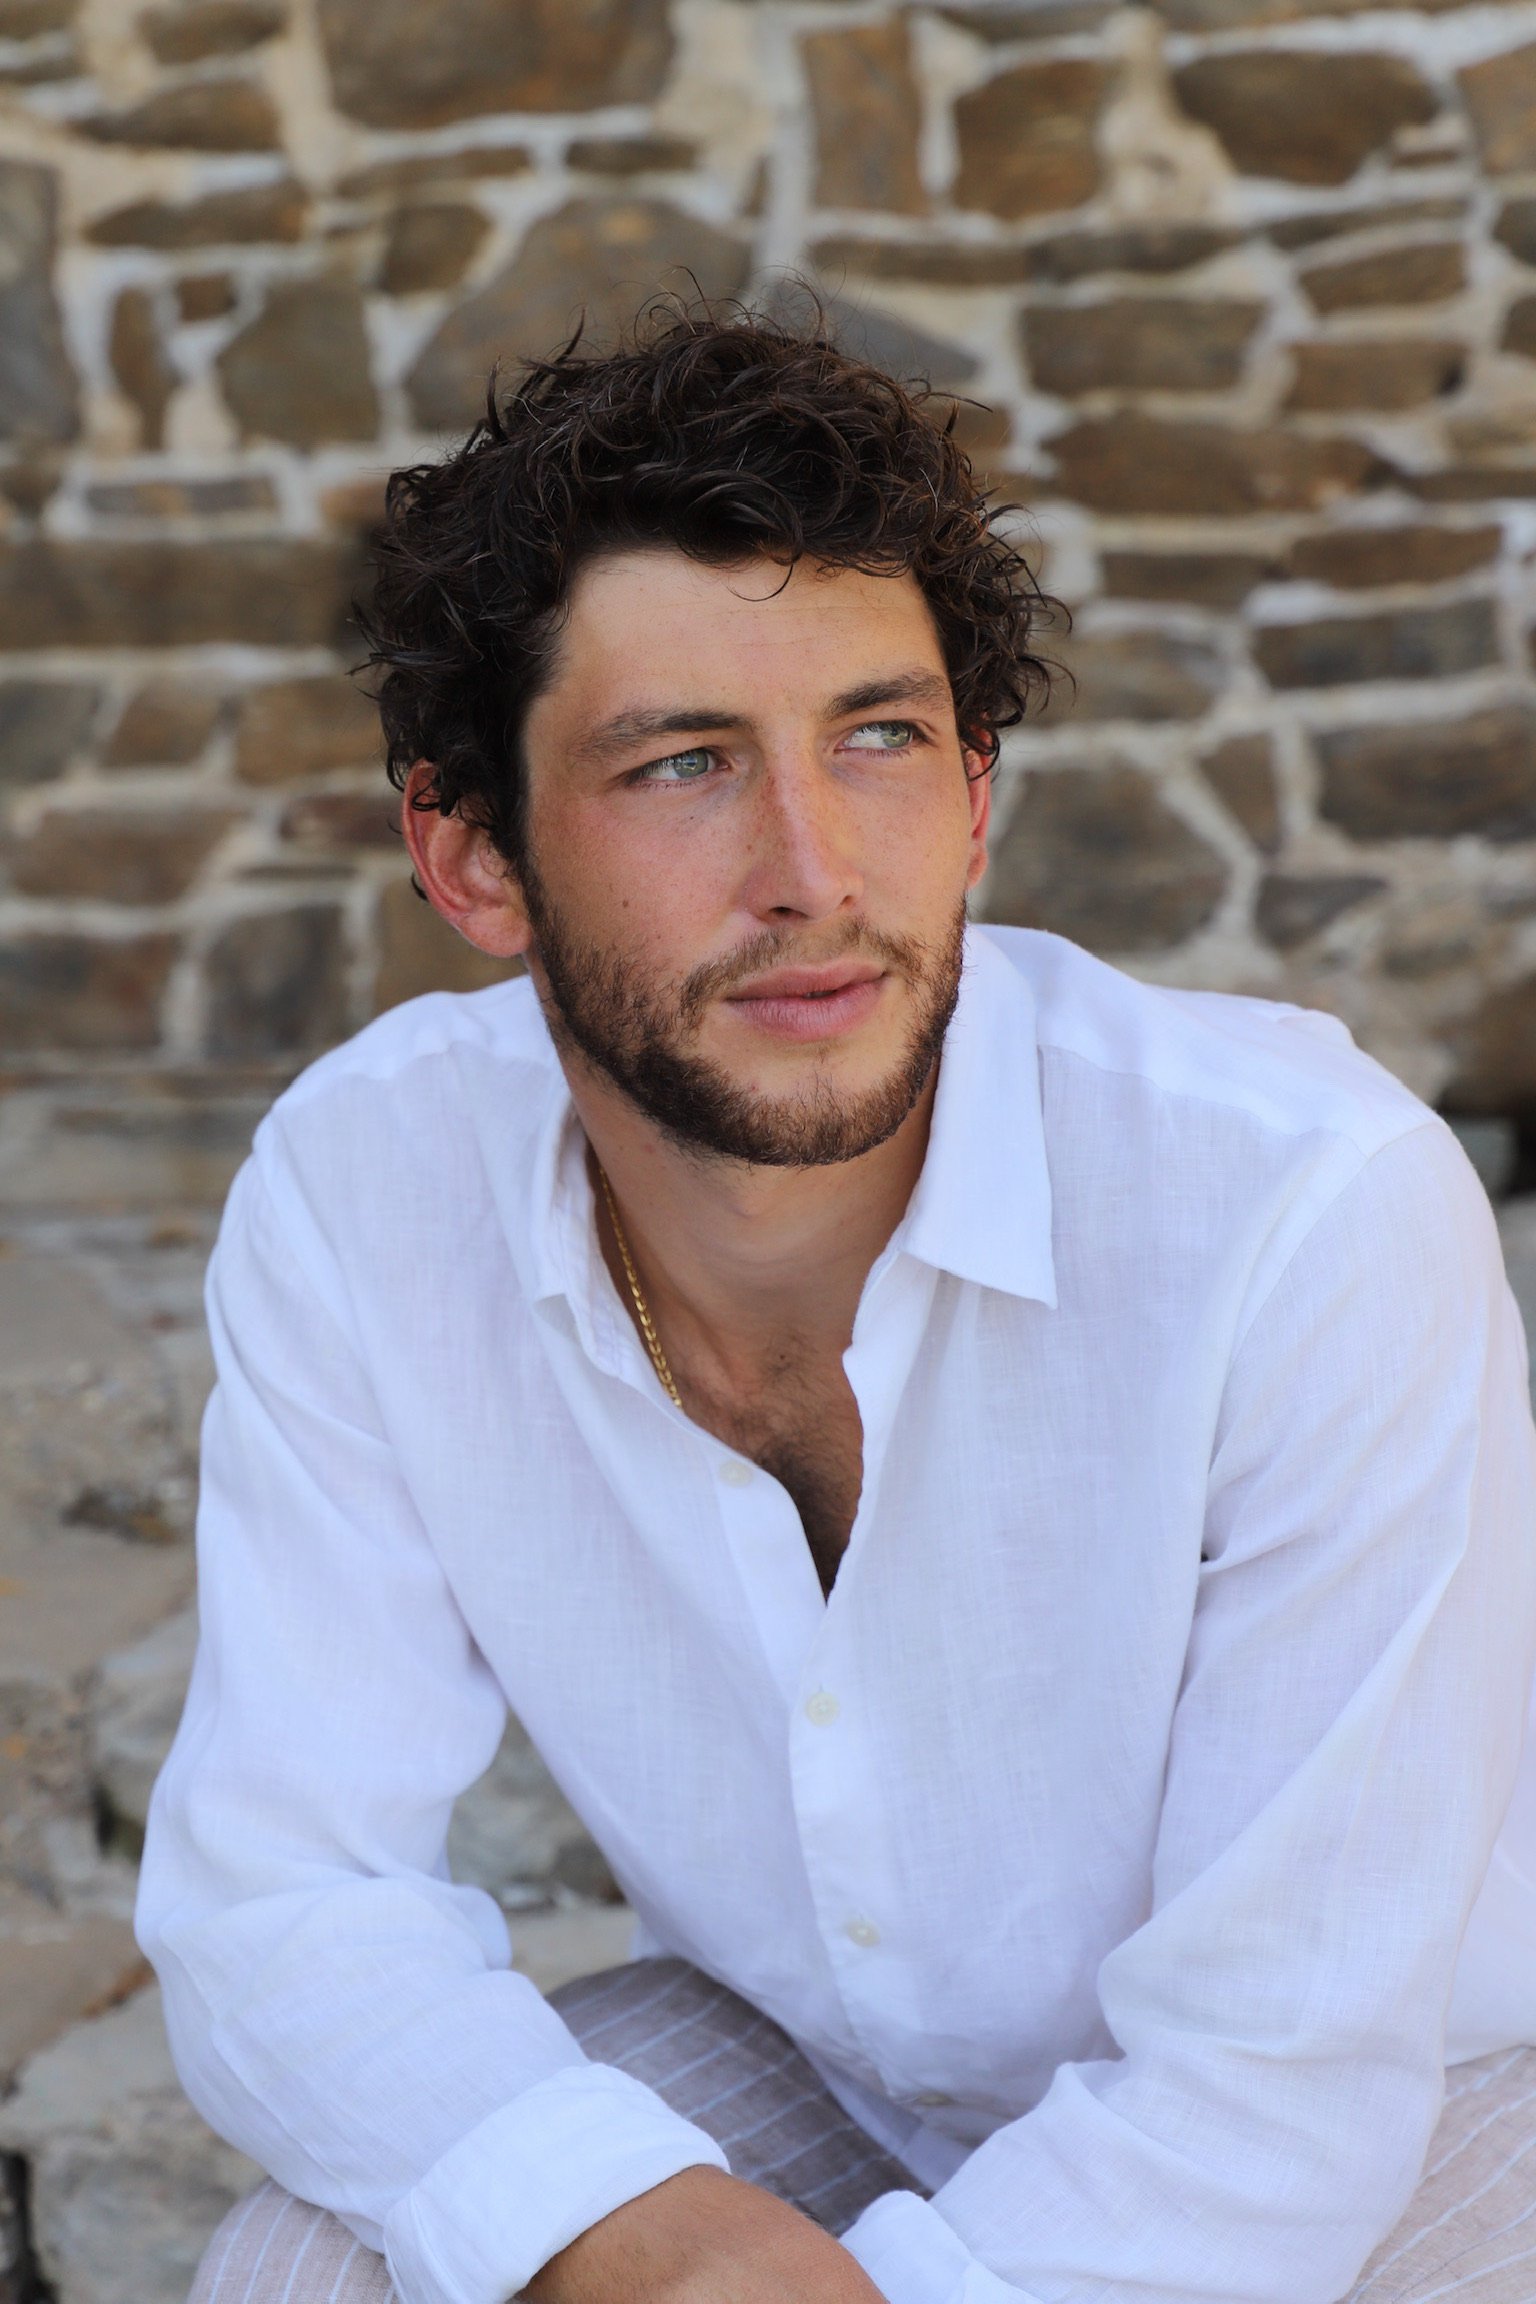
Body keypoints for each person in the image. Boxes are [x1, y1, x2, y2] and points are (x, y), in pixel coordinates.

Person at [139, 307, 1536, 2304]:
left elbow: (1279, 2074)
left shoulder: (1303, 1207)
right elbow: (279, 1892)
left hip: (1416, 2114)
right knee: (303, 2272)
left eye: (879, 740)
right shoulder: (365, 1192)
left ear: (975, 798)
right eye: (684, 763)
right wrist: (661, 2240)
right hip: (816, 2081)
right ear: (470, 859)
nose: (812, 872)